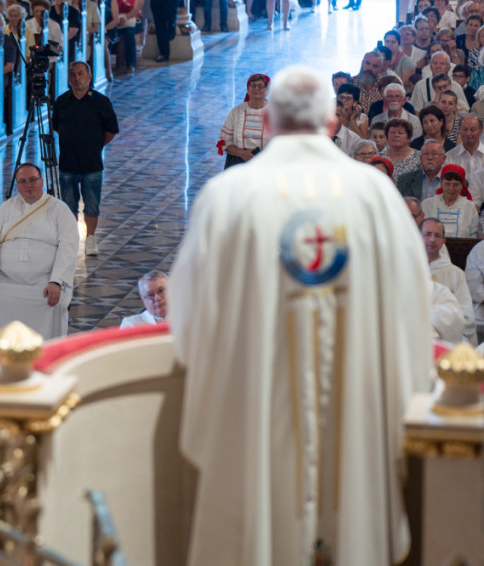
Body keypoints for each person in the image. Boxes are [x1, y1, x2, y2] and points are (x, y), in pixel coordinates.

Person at [169, 65, 432, 566]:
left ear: (268, 121)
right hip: (354, 410)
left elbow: (189, 316)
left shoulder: (228, 196)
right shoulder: (375, 195)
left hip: (258, 410)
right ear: (332, 123)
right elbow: (412, 308)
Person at [0, 162, 79, 371]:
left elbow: (68, 248)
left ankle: (43, 364)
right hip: (5, 280)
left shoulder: (60, 210)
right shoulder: (6, 209)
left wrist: (56, 281)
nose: (28, 185)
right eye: (22, 181)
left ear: (42, 181)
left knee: (51, 305)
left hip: (44, 281)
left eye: (33, 180)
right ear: (17, 185)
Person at [53, 61, 119, 256]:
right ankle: (71, 238)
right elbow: (57, 127)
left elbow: (111, 130)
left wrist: (94, 145)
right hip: (67, 162)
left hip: (92, 163)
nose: (77, 78)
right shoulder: (62, 101)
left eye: (81, 74)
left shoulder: (101, 102)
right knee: (68, 204)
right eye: (73, 75)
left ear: (89, 77)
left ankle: (90, 238)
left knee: (91, 204)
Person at [421, 217, 477, 342]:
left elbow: (466, 316)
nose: (432, 239)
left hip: (449, 339)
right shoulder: (406, 270)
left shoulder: (456, 274)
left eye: (437, 236)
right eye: (428, 234)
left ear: (443, 241)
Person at [217, 73, 270, 168]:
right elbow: (223, 140)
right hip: (238, 164)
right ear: (248, 89)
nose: (256, 89)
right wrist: (242, 153)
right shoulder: (237, 112)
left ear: (267, 90)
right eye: (253, 85)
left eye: (260, 86)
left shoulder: (276, 113)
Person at [422, 163, 479, 236]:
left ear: (462, 186)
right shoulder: (427, 205)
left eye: (456, 184)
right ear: (441, 184)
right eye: (447, 184)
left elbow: (473, 235)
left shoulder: (470, 207)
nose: (451, 189)